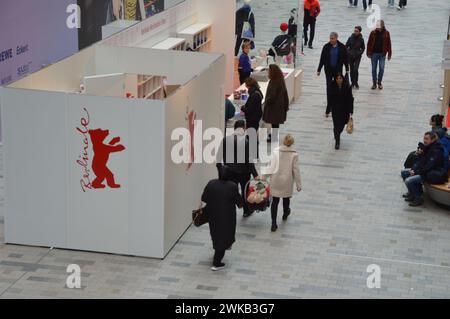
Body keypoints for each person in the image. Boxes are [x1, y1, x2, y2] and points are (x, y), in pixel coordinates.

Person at [201, 166, 244, 271]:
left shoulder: (211, 183)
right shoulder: (232, 186)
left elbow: (204, 198)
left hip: (213, 216)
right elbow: (240, 203)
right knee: (225, 237)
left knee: (216, 235)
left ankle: (217, 252)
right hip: (227, 218)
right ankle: (216, 263)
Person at [217, 120, 259, 218]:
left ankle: (230, 211)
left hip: (230, 171)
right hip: (244, 172)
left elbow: (218, 157)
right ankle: (246, 210)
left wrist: (220, 170)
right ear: (243, 128)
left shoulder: (225, 139)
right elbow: (249, 160)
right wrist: (255, 174)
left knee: (231, 191)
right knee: (245, 191)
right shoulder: (245, 141)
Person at [262, 134, 302, 232]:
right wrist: (298, 184)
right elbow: (296, 170)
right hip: (287, 181)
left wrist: (263, 177)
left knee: (275, 201)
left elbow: (270, 166)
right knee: (286, 199)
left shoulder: (275, 152)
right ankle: (285, 213)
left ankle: (273, 223)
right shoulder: (294, 155)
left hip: (275, 180)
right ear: (292, 143)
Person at [401, 132, 448, 207]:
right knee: (404, 172)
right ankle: (413, 193)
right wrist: (413, 169)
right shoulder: (427, 148)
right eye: (424, 138)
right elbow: (421, 162)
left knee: (409, 180)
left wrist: (416, 172)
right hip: (424, 171)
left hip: (432, 173)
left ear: (432, 140)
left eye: (426, 139)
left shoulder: (437, 150)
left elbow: (429, 166)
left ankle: (418, 198)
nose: (424, 141)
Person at [317, 32, 350, 117]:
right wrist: (319, 69)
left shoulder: (342, 47)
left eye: (332, 38)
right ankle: (329, 106)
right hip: (328, 70)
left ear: (336, 38)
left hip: (338, 71)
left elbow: (345, 58)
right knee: (329, 87)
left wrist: (347, 68)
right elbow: (322, 58)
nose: (331, 40)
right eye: (330, 38)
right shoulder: (326, 47)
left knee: (337, 87)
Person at [263, 64, 290, 143]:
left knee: (274, 123)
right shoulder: (279, 80)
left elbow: (272, 96)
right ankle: (274, 135)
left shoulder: (275, 82)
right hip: (278, 107)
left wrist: (267, 101)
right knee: (275, 123)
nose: (268, 72)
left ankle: (274, 137)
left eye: (269, 71)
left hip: (274, 107)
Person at [329, 73, 354, 150]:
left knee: (342, 126)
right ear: (335, 79)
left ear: (342, 79)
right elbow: (329, 98)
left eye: (340, 78)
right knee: (336, 125)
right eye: (337, 78)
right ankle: (337, 142)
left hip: (344, 110)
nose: (339, 80)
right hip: (335, 110)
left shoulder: (347, 87)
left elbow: (350, 99)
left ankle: (337, 133)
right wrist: (328, 109)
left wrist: (351, 110)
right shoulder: (332, 87)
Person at [367, 20, 392, 90]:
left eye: (379, 26)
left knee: (381, 68)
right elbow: (369, 43)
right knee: (373, 69)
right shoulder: (373, 33)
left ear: (382, 26)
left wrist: (389, 54)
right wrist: (368, 53)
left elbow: (389, 44)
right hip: (374, 54)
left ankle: (379, 82)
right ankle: (374, 83)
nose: (377, 27)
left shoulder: (387, 33)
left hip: (382, 54)